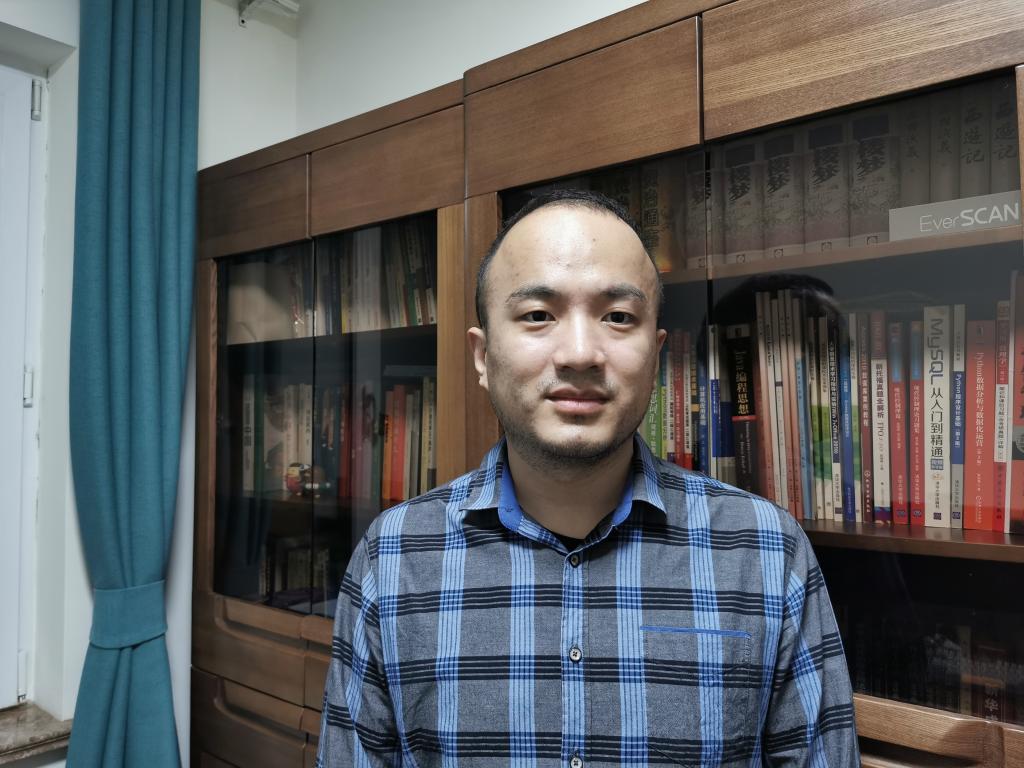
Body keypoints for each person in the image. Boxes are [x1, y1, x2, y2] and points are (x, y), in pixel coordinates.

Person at [317, 189, 860, 767]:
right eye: (537, 315)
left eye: (618, 317)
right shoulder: (394, 556)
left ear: (655, 354)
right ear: (482, 356)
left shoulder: (766, 550)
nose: (580, 353)